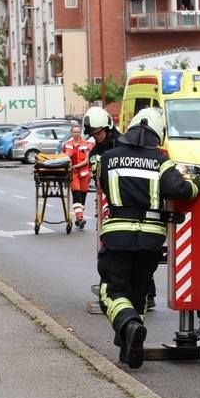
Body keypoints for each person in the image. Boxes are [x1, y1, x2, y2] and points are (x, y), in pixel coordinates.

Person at [92, 107, 200, 368]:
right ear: (158, 134)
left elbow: (103, 185)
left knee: (111, 292)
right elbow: (178, 189)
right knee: (139, 293)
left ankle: (130, 326)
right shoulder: (161, 161)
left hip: (118, 235)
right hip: (150, 240)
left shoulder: (108, 158)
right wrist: (197, 185)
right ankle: (129, 347)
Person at [83, 107, 120, 313]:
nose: (96, 137)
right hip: (107, 206)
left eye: (98, 132)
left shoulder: (124, 144)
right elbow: (96, 175)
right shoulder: (95, 153)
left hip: (127, 205)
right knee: (108, 247)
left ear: (108, 128)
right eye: (93, 134)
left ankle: (146, 294)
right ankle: (109, 288)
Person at [61, 124, 94, 229]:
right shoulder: (67, 145)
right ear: (71, 133)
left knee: (82, 198)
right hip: (73, 173)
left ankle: (79, 219)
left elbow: (87, 160)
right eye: (74, 132)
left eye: (78, 132)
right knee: (77, 195)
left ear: (81, 133)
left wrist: (76, 165)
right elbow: (63, 158)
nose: (76, 134)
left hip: (84, 174)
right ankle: (80, 218)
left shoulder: (86, 145)